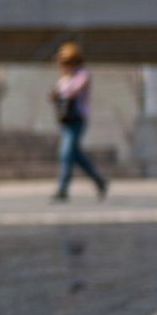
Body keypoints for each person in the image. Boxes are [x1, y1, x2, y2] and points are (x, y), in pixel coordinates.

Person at [50, 41, 107, 202]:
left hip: (78, 119)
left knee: (66, 153)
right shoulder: (64, 77)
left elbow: (72, 92)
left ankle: (62, 189)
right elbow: (59, 94)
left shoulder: (82, 74)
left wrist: (64, 88)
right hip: (65, 120)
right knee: (75, 156)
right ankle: (99, 181)